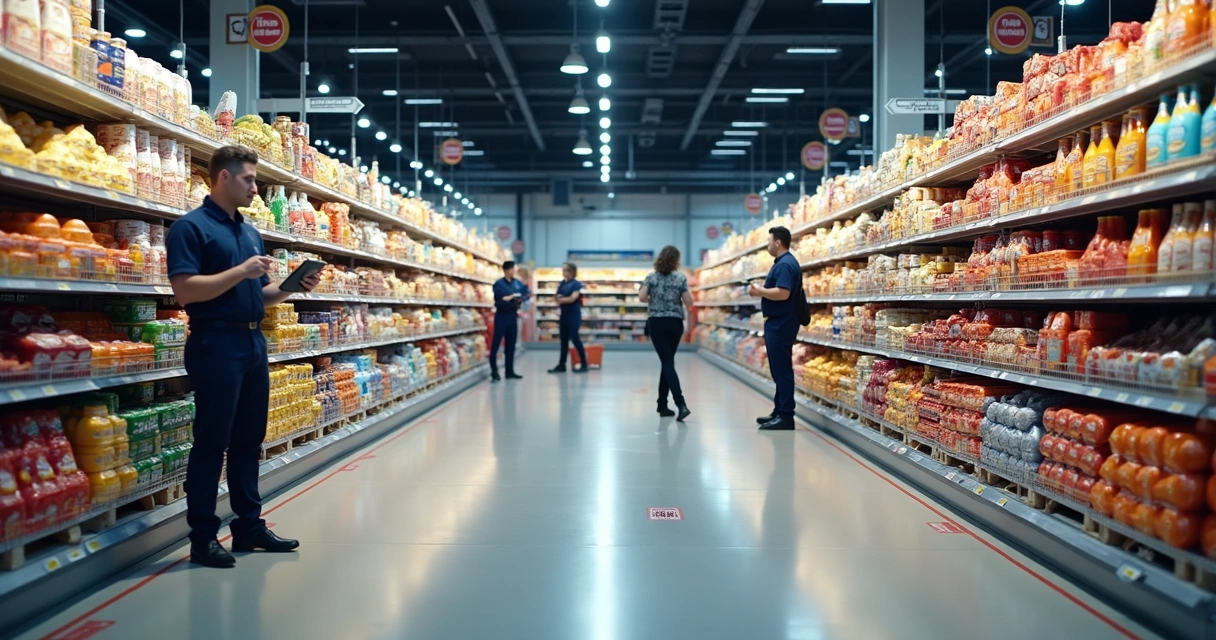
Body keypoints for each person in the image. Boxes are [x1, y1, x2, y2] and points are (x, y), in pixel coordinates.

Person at [166, 146, 321, 568]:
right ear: (223, 178)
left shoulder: (250, 232)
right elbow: (185, 292)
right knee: (212, 442)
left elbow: (261, 295)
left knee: (249, 441)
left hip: (253, 344)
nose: (255, 187)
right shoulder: (190, 228)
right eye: (249, 179)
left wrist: (292, 286)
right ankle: (202, 537)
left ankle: (249, 527)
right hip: (215, 344)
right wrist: (241, 271)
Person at [749, 226, 800, 431]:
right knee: (779, 369)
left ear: (778, 242)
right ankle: (779, 410)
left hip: (782, 322)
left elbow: (783, 293)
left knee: (782, 370)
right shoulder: (783, 263)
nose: (768, 244)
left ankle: (786, 415)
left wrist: (759, 291)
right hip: (779, 321)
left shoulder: (786, 264)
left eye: (769, 241)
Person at [640, 246, 694, 422]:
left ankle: (678, 404)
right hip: (674, 323)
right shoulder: (680, 278)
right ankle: (664, 404)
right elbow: (689, 302)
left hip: (656, 322)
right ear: (676, 261)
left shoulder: (651, 277)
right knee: (668, 361)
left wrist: (654, 299)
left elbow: (641, 297)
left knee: (667, 362)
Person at [490, 260, 528, 382]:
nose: (515, 271)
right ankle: (494, 371)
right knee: (496, 344)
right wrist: (510, 297)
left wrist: (521, 299)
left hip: (512, 315)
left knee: (511, 345)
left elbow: (525, 294)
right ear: (507, 270)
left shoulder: (517, 283)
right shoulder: (499, 284)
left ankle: (509, 371)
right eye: (514, 269)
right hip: (501, 315)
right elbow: (499, 299)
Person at [549, 262, 589, 374]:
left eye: (565, 270)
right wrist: (560, 299)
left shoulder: (576, 284)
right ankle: (562, 364)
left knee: (575, 338)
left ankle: (584, 363)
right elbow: (556, 296)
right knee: (563, 341)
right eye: (563, 269)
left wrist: (561, 300)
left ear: (571, 272)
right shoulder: (562, 283)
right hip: (564, 315)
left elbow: (572, 298)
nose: (563, 272)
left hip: (573, 315)